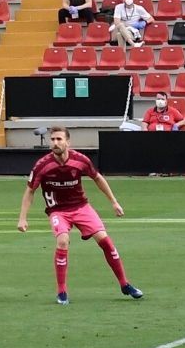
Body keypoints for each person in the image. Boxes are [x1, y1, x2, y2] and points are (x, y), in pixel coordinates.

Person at [17, 126, 143, 305]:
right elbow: (30, 191)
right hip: (58, 211)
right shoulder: (42, 165)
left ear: (68, 142)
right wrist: (23, 218)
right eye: (52, 139)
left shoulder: (80, 160)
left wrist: (114, 202)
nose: (55, 143)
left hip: (81, 207)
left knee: (106, 241)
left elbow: (98, 178)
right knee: (62, 241)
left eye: (59, 139)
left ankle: (125, 284)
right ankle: (62, 292)